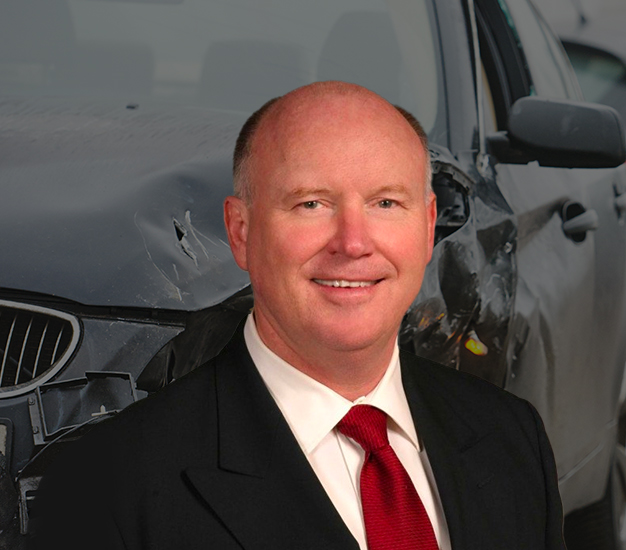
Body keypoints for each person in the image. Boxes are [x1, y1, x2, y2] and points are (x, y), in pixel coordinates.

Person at [34, 82, 565, 549]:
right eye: (311, 203)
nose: (353, 243)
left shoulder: (513, 440)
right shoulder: (111, 484)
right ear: (241, 232)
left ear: (427, 228)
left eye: (385, 203)